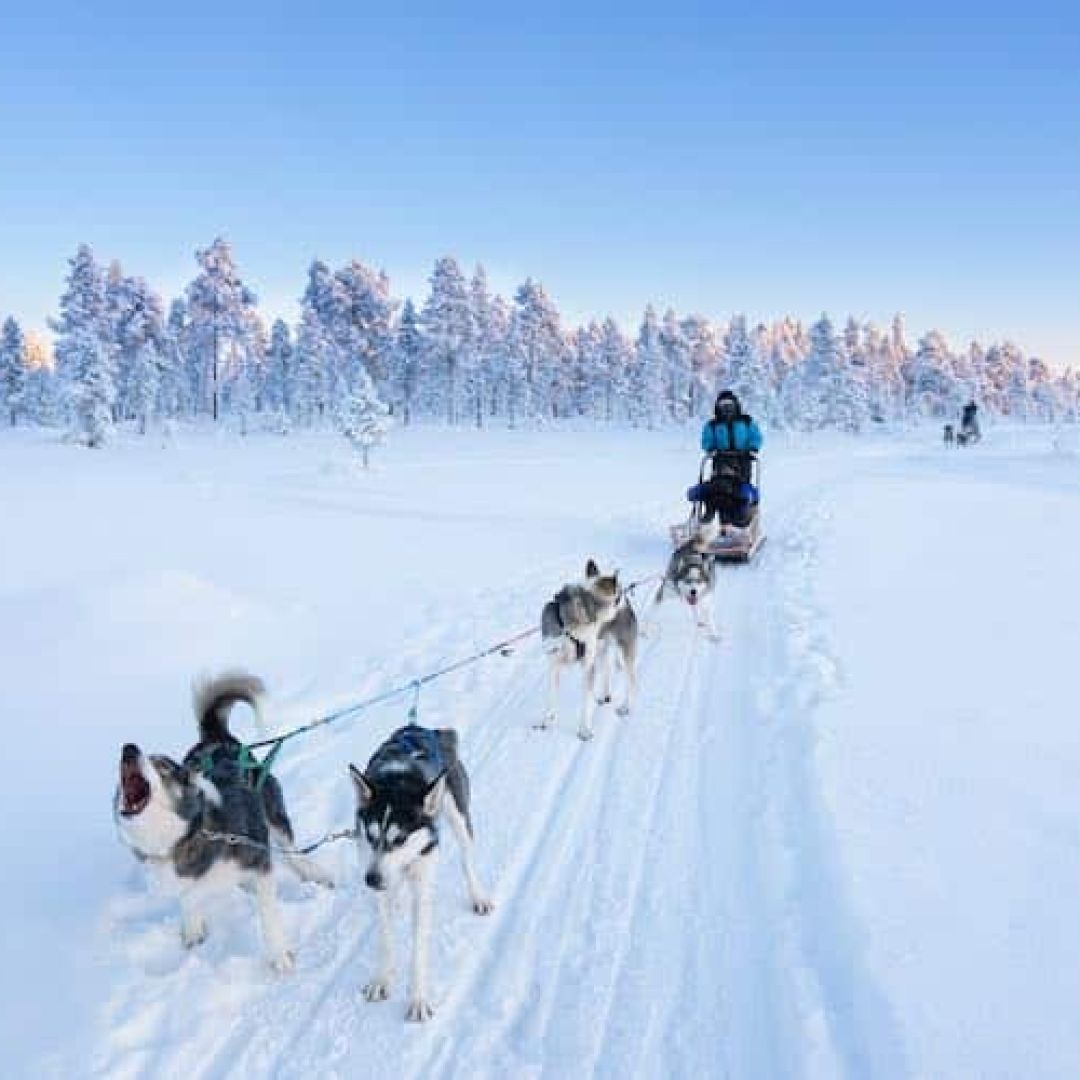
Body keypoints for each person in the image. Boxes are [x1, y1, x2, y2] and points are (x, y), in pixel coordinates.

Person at [693, 390, 763, 526]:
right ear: (718, 406)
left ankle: (742, 516)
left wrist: (753, 447)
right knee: (719, 486)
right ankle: (713, 515)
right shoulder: (713, 424)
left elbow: (755, 436)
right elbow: (706, 440)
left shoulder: (746, 421)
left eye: (729, 403)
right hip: (721, 458)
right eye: (723, 404)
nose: (726, 407)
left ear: (735, 404)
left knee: (740, 486)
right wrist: (710, 448)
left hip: (743, 458)